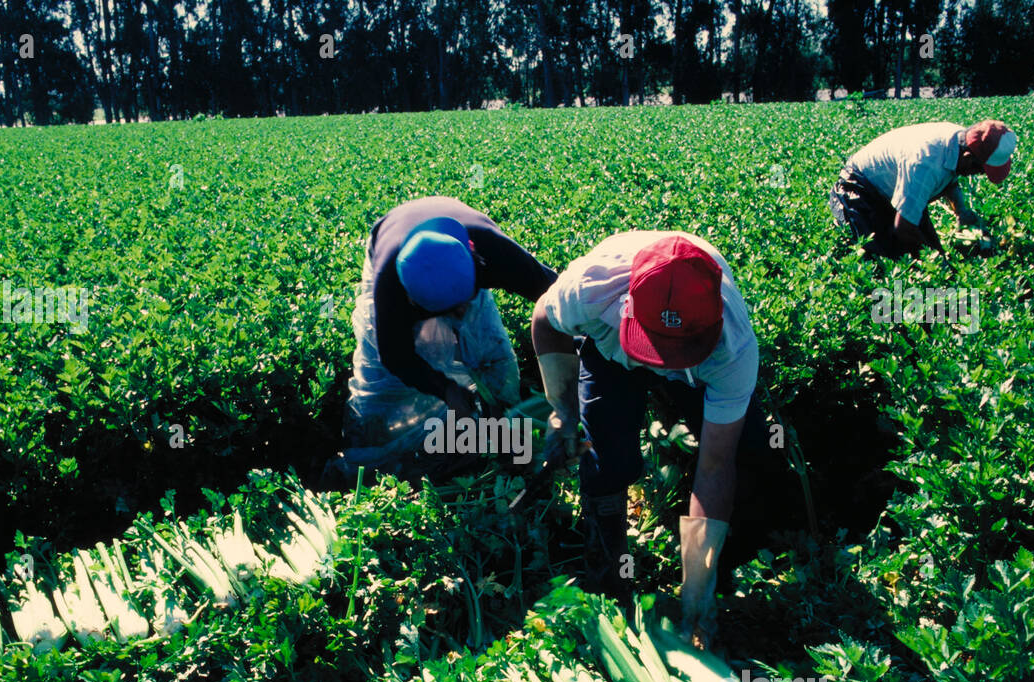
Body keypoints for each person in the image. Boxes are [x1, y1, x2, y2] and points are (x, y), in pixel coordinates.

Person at [531, 231, 788, 647]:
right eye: (657, 349)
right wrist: (562, 410)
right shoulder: (590, 288)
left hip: (700, 369)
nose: (664, 363)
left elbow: (715, 464)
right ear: (628, 305)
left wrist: (696, 586)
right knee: (607, 460)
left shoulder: (733, 350)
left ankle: (720, 565)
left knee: (747, 449)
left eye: (677, 352)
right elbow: (545, 319)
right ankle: (609, 571)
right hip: (611, 349)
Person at [324, 196, 557, 484]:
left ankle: (502, 441)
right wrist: (445, 389)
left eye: (460, 306)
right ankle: (372, 464)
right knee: (382, 388)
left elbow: (561, 298)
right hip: (395, 253)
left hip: (459, 263)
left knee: (491, 358)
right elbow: (395, 355)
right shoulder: (392, 286)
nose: (457, 316)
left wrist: (574, 383)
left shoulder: (495, 254)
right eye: (446, 311)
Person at [829, 119, 1018, 259]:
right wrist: (937, 259)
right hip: (858, 189)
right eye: (979, 170)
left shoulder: (960, 140)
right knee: (881, 261)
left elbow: (951, 176)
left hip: (894, 188)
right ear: (968, 157)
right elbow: (904, 227)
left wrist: (961, 211)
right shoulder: (925, 165)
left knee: (927, 251)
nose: (978, 175)